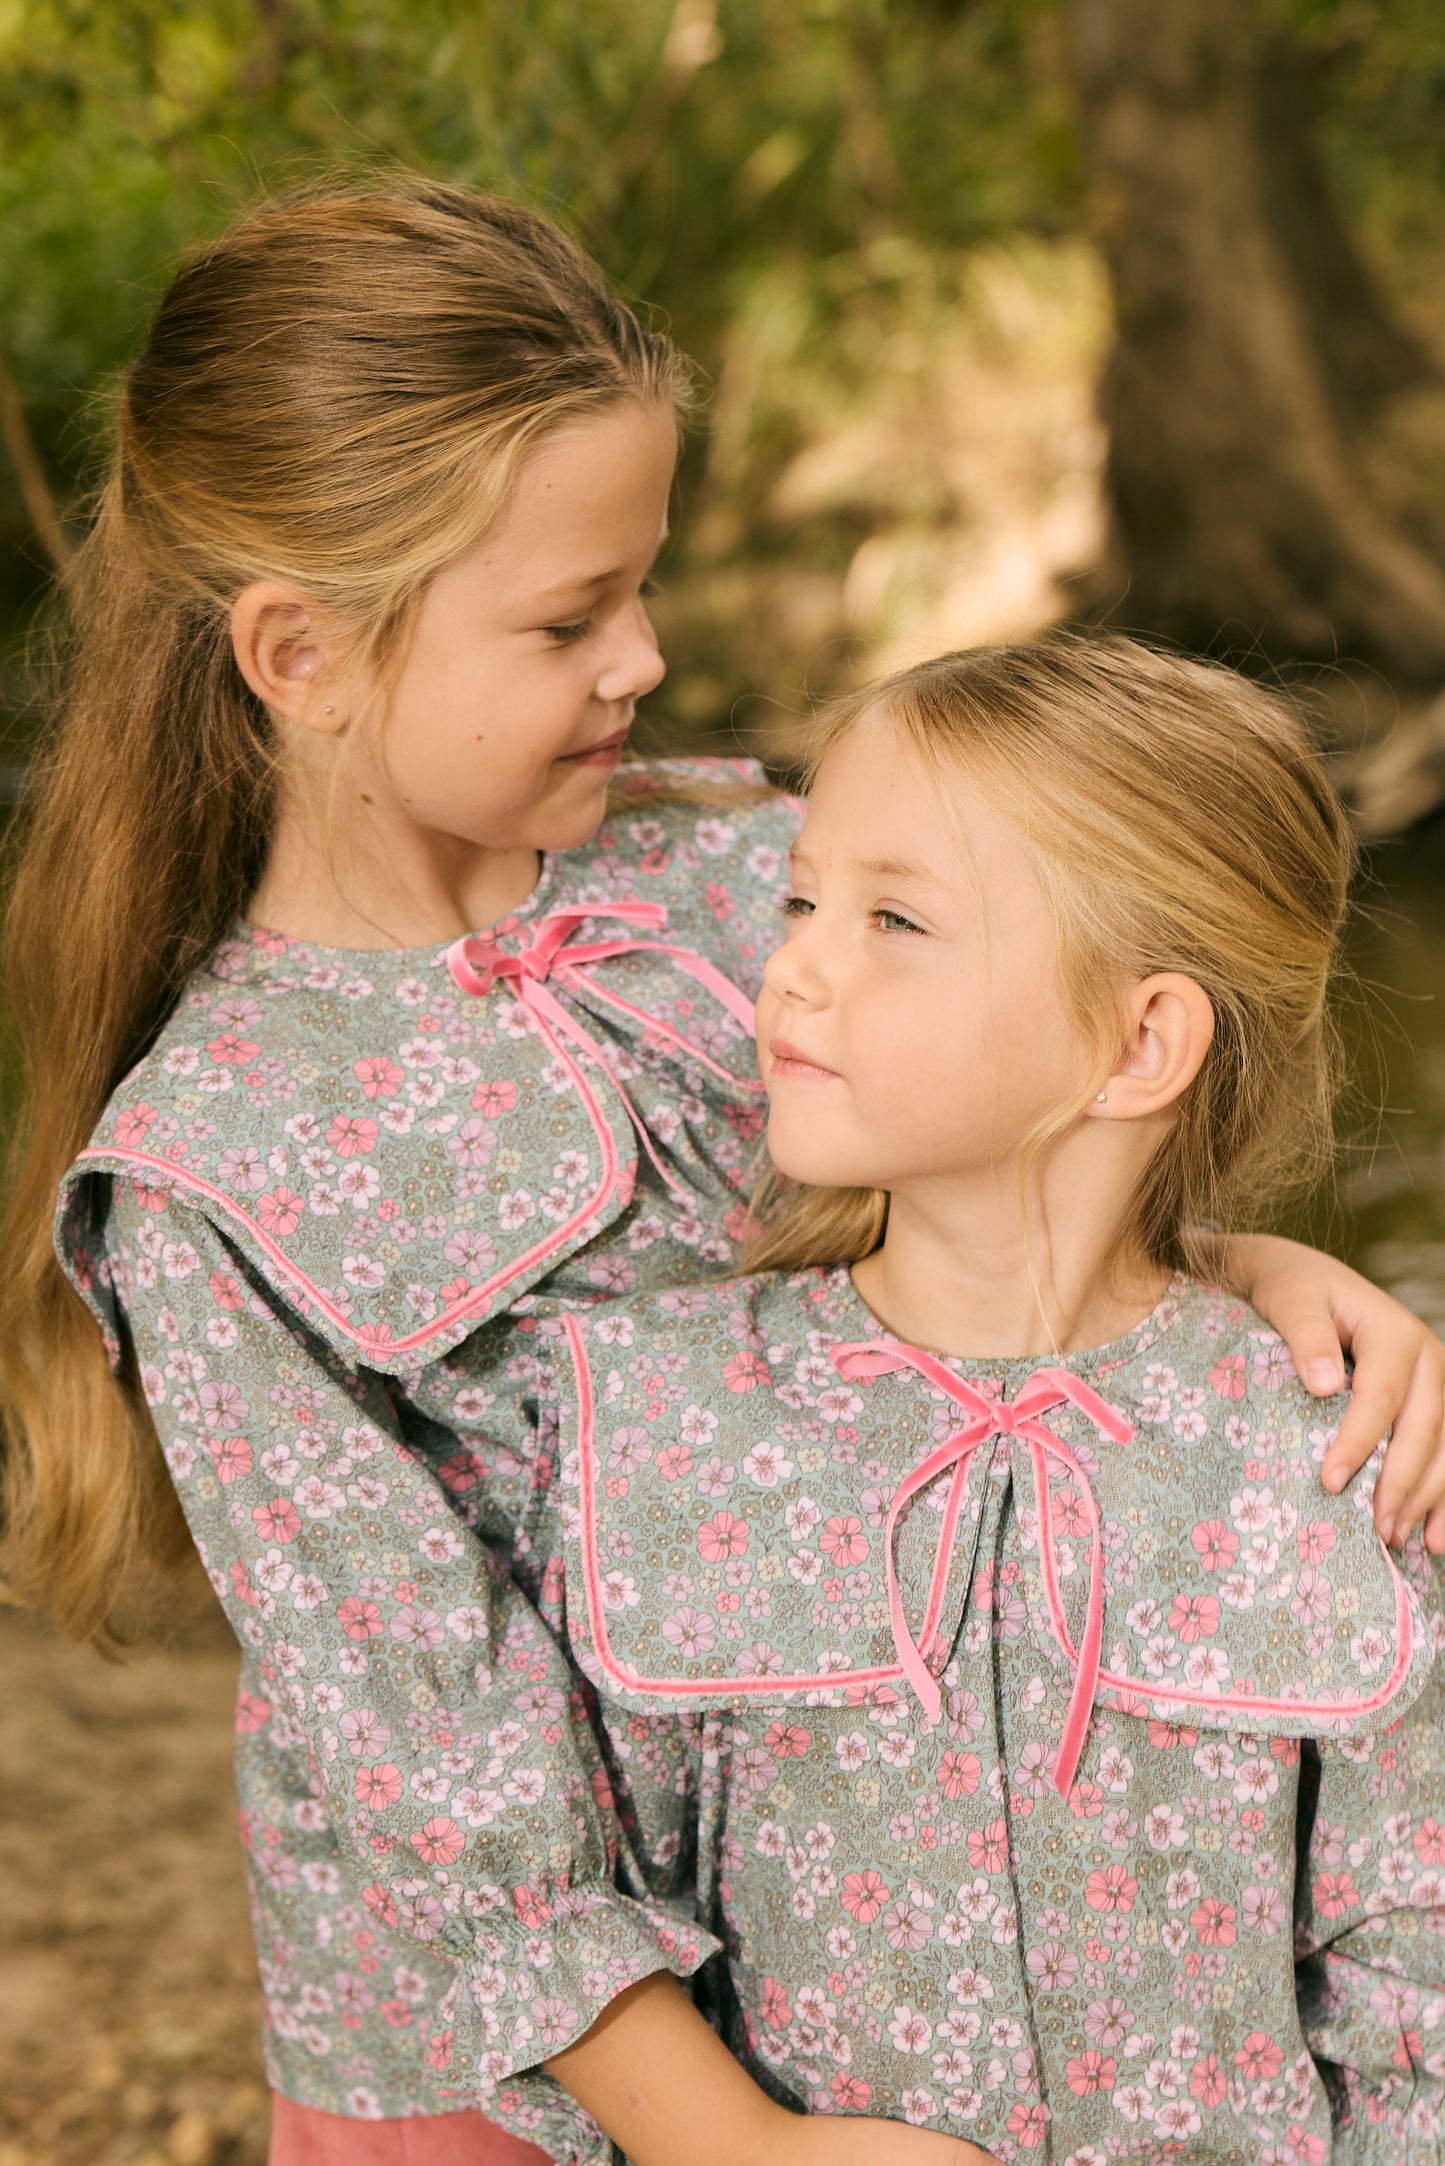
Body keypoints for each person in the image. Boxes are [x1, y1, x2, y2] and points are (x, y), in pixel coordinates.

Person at [0, 181, 1439, 2164]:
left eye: (644, 583)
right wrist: (720, 2140)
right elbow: (421, 1744)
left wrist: (1250, 1275)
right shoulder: (213, 1174)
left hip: (858, 1934)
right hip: (509, 2067)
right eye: (568, 618)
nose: (647, 658)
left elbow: (1015, 1158)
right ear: (301, 655)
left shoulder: (737, 872)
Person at [475, 636, 1445, 2162]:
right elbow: (564, 1887)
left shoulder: (1324, 1447)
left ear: (1139, 1043)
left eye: (893, 918)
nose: (789, 961)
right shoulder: (658, 1419)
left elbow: (1413, 1981)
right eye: (801, 899)